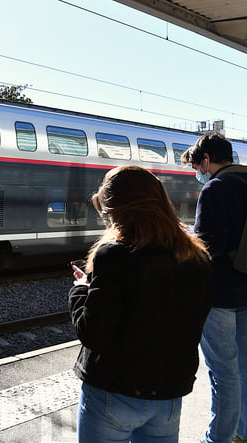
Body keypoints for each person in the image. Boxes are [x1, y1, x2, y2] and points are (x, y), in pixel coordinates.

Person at [69, 165, 212, 442]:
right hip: (168, 395)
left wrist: (80, 291)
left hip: (114, 392)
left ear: (118, 210)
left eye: (107, 214)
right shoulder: (196, 257)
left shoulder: (114, 256)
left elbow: (93, 334)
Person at [181, 133, 247, 443]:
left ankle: (218, 438)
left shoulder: (216, 188)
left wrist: (187, 236)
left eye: (196, 165)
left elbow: (209, 246)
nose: (198, 172)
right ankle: (246, 433)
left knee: (223, 369)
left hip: (220, 292)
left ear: (205, 160)